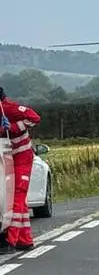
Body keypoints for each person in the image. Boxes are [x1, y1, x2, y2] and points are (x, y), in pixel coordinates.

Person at [0, 87, 41, 252]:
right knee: (19, 199)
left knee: (17, 196)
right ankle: (25, 240)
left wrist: (14, 127)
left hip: (23, 157)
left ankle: (10, 239)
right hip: (10, 158)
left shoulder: (9, 108)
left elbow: (34, 117)